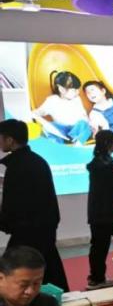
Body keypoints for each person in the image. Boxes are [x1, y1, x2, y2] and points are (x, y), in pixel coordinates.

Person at [0, 119, 67, 291]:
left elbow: (13, 203)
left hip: (27, 231)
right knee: (49, 271)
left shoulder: (16, 166)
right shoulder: (38, 161)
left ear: (10, 140)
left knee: (16, 273)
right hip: (44, 227)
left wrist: (5, 222)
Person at [86, 130, 113, 289]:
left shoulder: (99, 163)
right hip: (108, 212)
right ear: (108, 143)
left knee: (99, 247)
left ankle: (97, 278)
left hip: (99, 213)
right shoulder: (106, 165)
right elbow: (111, 188)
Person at [31, 70, 93, 145]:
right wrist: (35, 113)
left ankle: (77, 143)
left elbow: (83, 115)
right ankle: (56, 144)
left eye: (78, 90)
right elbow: (41, 111)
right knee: (50, 126)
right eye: (74, 90)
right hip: (62, 130)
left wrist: (88, 123)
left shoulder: (77, 99)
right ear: (62, 89)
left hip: (76, 130)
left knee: (84, 124)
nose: (78, 92)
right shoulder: (52, 100)